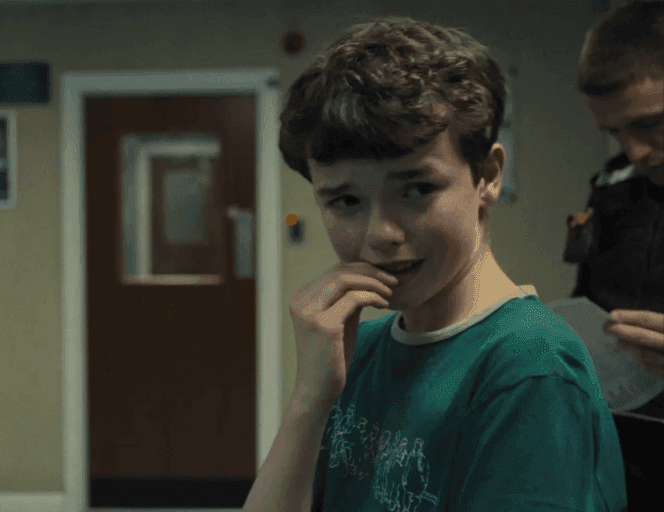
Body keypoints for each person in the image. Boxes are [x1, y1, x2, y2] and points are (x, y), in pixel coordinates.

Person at [242, 16, 627, 511]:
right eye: (345, 201)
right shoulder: (361, 350)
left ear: (488, 175)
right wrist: (309, 400)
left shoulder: (529, 368)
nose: (381, 234)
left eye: (417, 189)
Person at [570, 0, 664, 506]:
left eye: (650, 124)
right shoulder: (613, 185)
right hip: (622, 453)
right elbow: (587, 297)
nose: (636, 151)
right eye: (615, 132)